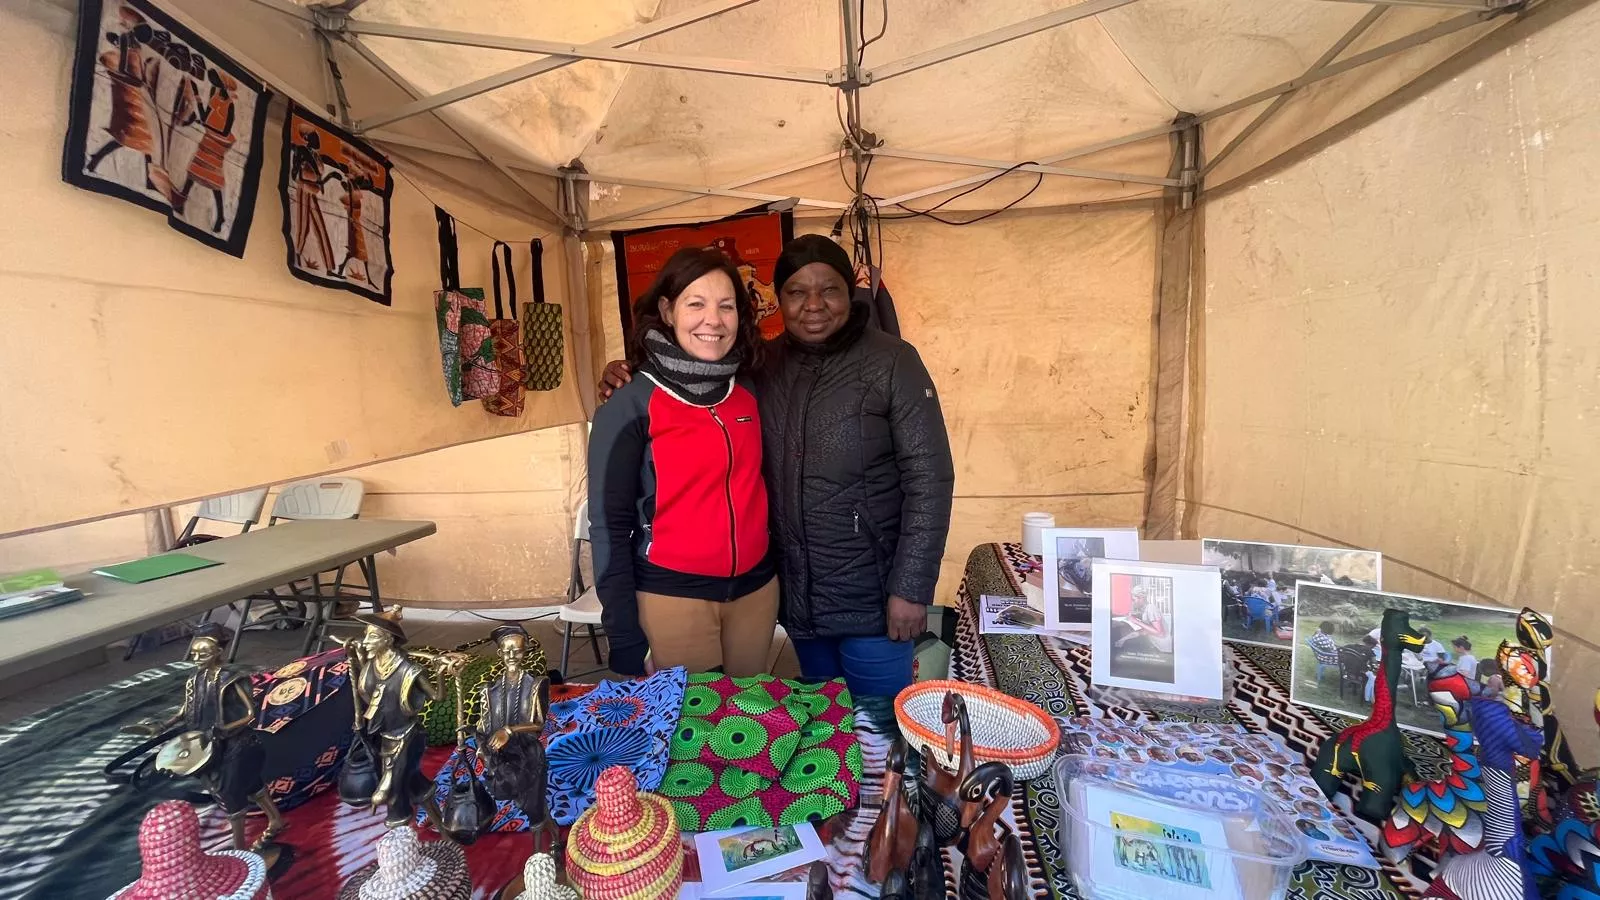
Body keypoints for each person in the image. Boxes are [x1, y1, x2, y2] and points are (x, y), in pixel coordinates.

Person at [598, 235, 955, 703]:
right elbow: (686, 375)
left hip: (872, 598)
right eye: (796, 292)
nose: (814, 305)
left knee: (880, 727)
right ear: (777, 301)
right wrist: (621, 373)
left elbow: (930, 479)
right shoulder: (761, 366)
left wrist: (912, 587)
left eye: (829, 289)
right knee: (818, 731)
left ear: (852, 293)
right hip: (798, 602)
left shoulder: (892, 362)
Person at [588, 247, 776, 677]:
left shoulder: (751, 387)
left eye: (726, 306)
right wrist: (622, 632)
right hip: (673, 597)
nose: (713, 319)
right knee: (691, 733)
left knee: (747, 725)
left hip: (756, 594)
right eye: (696, 304)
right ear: (667, 310)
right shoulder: (631, 402)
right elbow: (609, 524)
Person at [475, 624, 557, 851]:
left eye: (517, 650)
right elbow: (482, 727)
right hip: (502, 759)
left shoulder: (536, 685)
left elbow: (538, 726)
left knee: (536, 811)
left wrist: (509, 730)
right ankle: (554, 838)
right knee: (530, 806)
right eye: (507, 651)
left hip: (529, 755)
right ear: (499, 653)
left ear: (525, 651)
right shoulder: (490, 691)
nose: (512, 656)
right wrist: (481, 747)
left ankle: (540, 854)